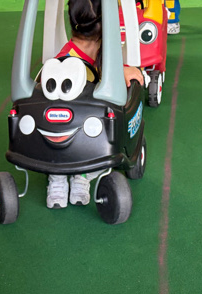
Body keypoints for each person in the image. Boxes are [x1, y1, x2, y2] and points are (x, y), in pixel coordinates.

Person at [45, 0, 145, 209]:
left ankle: (81, 176)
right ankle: (58, 178)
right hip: (64, 131)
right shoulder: (64, 62)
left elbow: (104, 69)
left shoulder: (100, 53)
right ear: (106, 24)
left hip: (89, 132)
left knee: (101, 140)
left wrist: (121, 70)